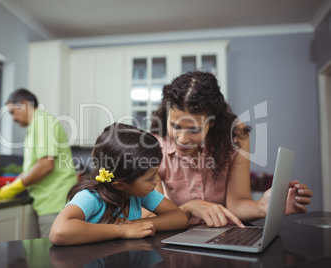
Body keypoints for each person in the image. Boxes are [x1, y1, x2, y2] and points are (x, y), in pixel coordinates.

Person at [149, 70, 313, 227]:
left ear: (211, 123)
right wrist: (189, 208)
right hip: (176, 235)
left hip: (223, 233)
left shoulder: (236, 136)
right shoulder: (155, 145)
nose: (182, 139)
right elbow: (151, 217)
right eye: (175, 126)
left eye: (194, 129)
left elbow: (237, 203)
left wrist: (263, 207)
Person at [49, 123, 189, 246]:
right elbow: (59, 232)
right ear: (120, 185)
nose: (156, 182)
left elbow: (179, 217)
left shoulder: (138, 194)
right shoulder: (91, 197)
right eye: (150, 178)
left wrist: (135, 224)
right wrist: (122, 230)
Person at [0, 88, 78, 238]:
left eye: (12, 112)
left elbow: (45, 165)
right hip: (49, 202)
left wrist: (17, 186)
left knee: (52, 258)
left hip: (55, 202)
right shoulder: (36, 126)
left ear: (24, 104)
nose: (13, 118)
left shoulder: (42, 121)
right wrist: (11, 186)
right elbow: (31, 168)